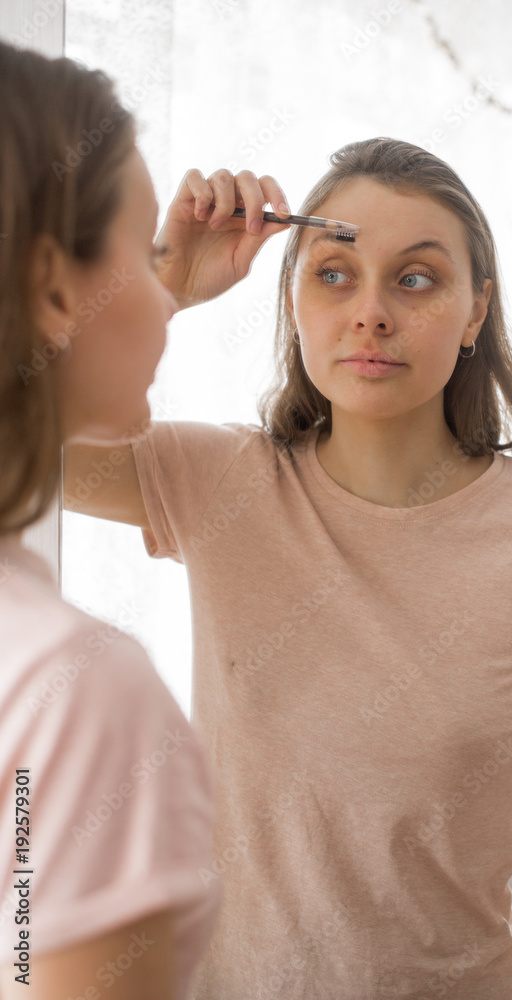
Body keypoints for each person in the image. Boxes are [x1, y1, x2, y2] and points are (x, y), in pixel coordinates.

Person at [64, 135, 512, 998]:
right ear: (293, 299)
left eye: (416, 278)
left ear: (476, 312)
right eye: (334, 273)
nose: (372, 311)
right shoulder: (215, 483)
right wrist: (161, 284)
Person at [0, 39, 294, 999]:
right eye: (140, 251)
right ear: (51, 285)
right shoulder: (76, 695)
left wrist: (145, 280)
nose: (169, 300)